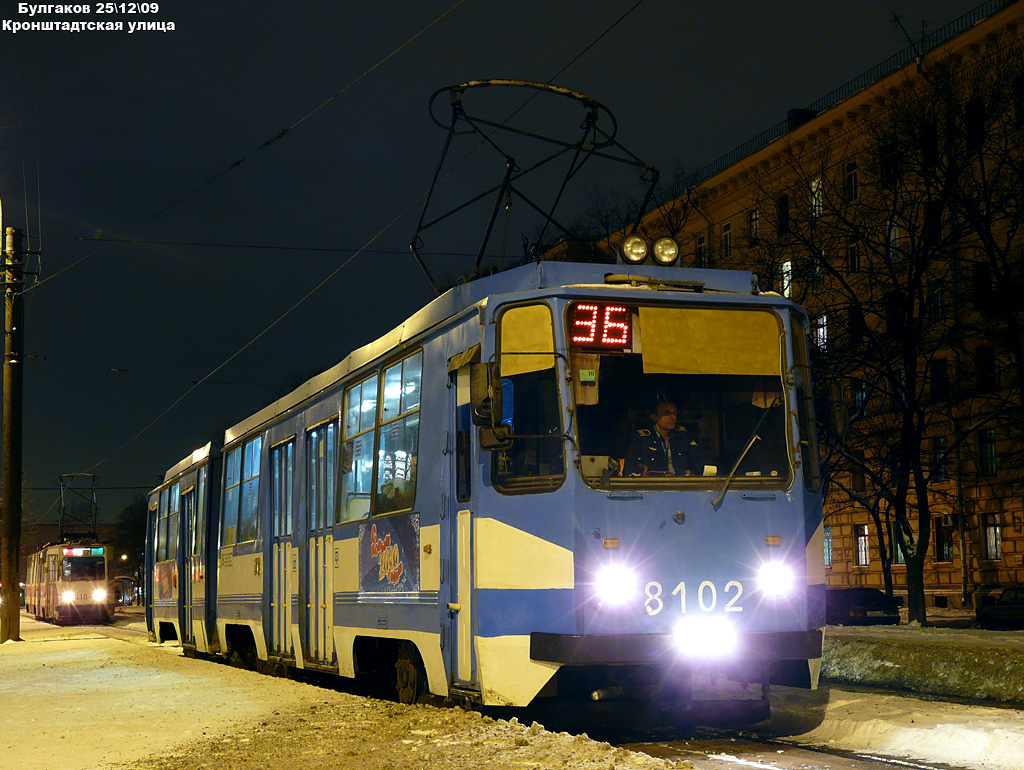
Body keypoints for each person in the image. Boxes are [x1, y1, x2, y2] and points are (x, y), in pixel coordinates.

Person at [623, 400, 709, 476]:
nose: (672, 417)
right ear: (654, 417)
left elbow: (700, 458)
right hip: (653, 488)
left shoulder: (682, 437)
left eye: (674, 413)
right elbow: (631, 467)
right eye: (667, 413)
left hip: (682, 486)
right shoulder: (642, 439)